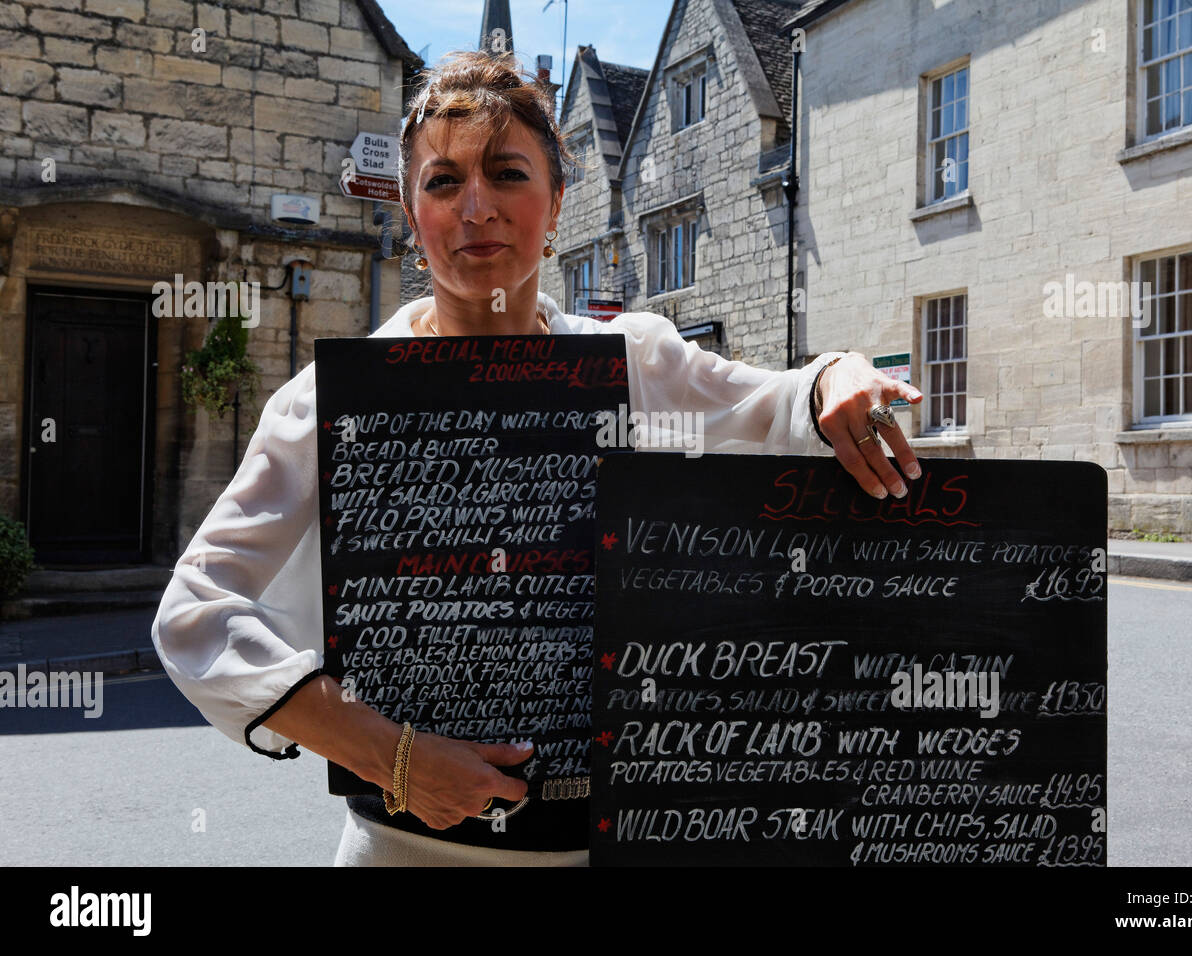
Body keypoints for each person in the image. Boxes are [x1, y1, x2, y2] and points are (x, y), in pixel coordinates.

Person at [150, 50, 925, 866]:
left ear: (556, 203)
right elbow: (195, 613)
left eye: (507, 174)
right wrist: (392, 754)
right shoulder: (331, 403)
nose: (475, 206)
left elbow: (775, 407)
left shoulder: (631, 363)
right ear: (414, 218)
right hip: (402, 852)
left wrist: (836, 373)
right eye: (443, 183)